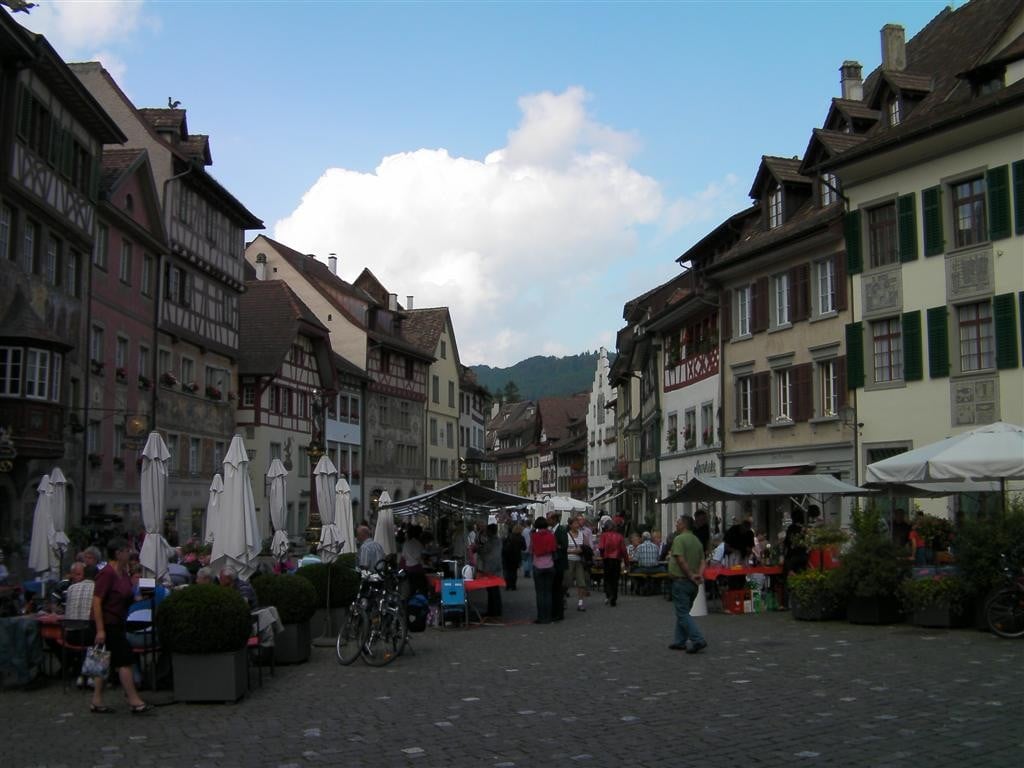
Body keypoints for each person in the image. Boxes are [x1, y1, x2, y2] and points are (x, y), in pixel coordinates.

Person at [89, 538, 153, 714]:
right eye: (126, 550)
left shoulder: (123, 573)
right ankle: (133, 699)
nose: (129, 553)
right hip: (107, 624)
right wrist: (100, 630)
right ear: (118, 553)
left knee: (104, 661)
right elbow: (97, 601)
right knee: (125, 659)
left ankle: (96, 700)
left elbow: (126, 597)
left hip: (117, 622)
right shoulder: (107, 574)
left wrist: (142, 597)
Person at [668, 515, 706, 654]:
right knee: (683, 612)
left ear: (684, 525)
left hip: (681, 581)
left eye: (678, 522)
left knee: (682, 613)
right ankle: (680, 641)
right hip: (692, 584)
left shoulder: (679, 539)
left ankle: (698, 639)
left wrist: (690, 574)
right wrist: (699, 575)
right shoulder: (696, 540)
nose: (676, 524)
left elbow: (680, 559)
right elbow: (703, 560)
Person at [530, 517, 556, 624]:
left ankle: (541, 617)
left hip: (538, 566)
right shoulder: (551, 535)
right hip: (549, 565)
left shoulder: (534, 536)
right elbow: (554, 549)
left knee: (540, 593)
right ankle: (548, 617)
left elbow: (530, 550)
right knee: (548, 592)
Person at [565, 515, 592, 611]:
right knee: (567, 582)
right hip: (569, 561)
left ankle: (580, 603)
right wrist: (573, 551)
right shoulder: (566, 535)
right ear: (570, 525)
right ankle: (563, 598)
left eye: (577, 523)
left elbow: (586, 546)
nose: (577, 525)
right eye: (575, 523)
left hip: (580, 561)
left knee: (581, 582)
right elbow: (563, 549)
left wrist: (583, 549)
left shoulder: (581, 534)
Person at [476, 523, 503, 617]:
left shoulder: (491, 542)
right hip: (497, 567)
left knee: (492, 591)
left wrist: (477, 548)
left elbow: (483, 551)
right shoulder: (498, 540)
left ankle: (493, 611)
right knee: (495, 590)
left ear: (490, 531)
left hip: (490, 568)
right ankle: (496, 610)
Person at [598, 519, 625, 607]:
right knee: (615, 579)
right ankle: (614, 597)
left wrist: (602, 556)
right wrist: (626, 561)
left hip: (607, 559)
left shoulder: (604, 535)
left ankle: (609, 594)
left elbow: (601, 548)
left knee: (607, 578)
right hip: (617, 559)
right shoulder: (619, 536)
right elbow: (623, 550)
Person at [547, 511, 569, 621]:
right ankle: (554, 611)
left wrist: (554, 546)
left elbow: (564, 545)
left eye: (549, 519)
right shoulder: (551, 530)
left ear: (554, 519)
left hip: (559, 563)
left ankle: (559, 613)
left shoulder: (561, 530)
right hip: (553, 562)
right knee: (554, 588)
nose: (547, 521)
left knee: (557, 588)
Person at [502, 524, 525, 591]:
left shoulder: (509, 536)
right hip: (516, 557)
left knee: (507, 571)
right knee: (514, 572)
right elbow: (524, 548)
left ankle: (507, 585)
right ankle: (513, 585)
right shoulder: (521, 537)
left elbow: (503, 546)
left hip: (507, 557)